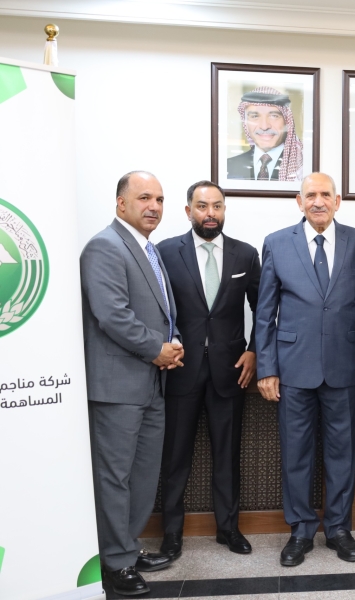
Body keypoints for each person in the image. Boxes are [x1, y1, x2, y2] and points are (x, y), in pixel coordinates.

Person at [255, 172, 355, 567]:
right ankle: (301, 530)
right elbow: (264, 313)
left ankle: (339, 528)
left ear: (337, 201)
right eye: (311, 195)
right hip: (292, 367)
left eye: (326, 194)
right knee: (296, 452)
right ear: (299, 201)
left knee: (343, 453)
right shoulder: (276, 243)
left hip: (345, 365)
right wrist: (266, 367)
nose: (318, 201)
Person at [80, 171, 184, 596]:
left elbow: (160, 312)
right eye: (144, 198)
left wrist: (173, 341)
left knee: (142, 474)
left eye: (159, 199)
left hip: (151, 383)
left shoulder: (148, 249)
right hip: (117, 387)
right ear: (121, 203)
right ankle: (114, 563)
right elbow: (112, 314)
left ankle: (127, 546)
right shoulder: (104, 246)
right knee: (115, 477)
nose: (153, 206)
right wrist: (157, 348)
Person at [155, 180, 260, 561]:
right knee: (175, 456)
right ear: (188, 211)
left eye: (217, 206)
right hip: (180, 369)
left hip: (230, 371)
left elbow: (263, 309)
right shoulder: (165, 252)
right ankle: (171, 533)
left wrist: (254, 351)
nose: (210, 213)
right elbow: (155, 307)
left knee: (227, 455)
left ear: (224, 210)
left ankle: (228, 528)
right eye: (202, 206)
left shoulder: (245, 254)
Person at [227, 86, 304, 181]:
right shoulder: (229, 166)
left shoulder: (302, 168)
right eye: (254, 116)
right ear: (245, 123)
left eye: (274, 116)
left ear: (287, 121)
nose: (264, 126)